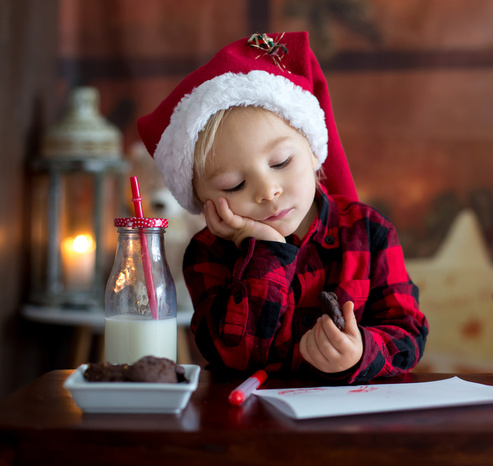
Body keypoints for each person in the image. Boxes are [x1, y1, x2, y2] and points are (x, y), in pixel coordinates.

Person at [137, 32, 428, 383]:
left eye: (281, 162)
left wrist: (360, 353)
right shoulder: (208, 254)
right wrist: (265, 249)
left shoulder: (370, 232)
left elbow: (408, 333)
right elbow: (233, 356)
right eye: (235, 185)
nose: (268, 191)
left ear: (314, 152)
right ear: (204, 201)